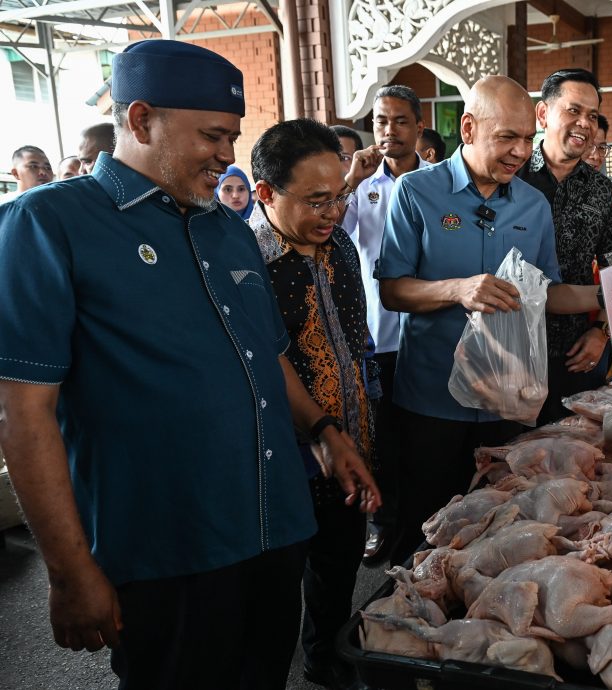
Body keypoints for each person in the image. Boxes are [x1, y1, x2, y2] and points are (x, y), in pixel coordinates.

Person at [0, 40, 379, 690]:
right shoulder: (48, 224)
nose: (227, 155)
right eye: (211, 135)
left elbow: (269, 356)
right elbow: (23, 410)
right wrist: (67, 569)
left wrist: (322, 431)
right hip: (169, 545)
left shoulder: (225, 228)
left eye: (233, 135)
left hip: (273, 526)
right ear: (142, 120)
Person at [379, 75, 612, 563]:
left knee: (497, 531)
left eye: (527, 139)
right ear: (467, 129)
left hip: (507, 399)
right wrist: (458, 289)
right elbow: (393, 290)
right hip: (431, 398)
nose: (521, 152)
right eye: (507, 137)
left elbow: (544, 295)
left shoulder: (531, 203)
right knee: (423, 530)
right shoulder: (415, 192)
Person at [249, 118, 383, 689]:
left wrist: (368, 414)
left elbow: (357, 340)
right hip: (284, 458)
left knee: (339, 566)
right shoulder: (247, 266)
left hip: (351, 439)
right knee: (275, 588)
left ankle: (325, 660)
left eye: (339, 197)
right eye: (316, 201)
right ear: (265, 194)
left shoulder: (340, 245)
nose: (333, 213)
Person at [342, 84, 431, 564]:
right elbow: (332, 233)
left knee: (424, 435)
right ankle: (385, 525)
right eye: (380, 121)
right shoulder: (365, 186)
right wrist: (350, 181)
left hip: (430, 333)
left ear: (418, 127)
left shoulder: (437, 183)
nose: (388, 130)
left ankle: (425, 525)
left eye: (399, 120)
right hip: (378, 336)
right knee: (383, 438)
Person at [516, 68, 612, 425]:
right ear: (543, 114)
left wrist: (601, 334)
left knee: (575, 460)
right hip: (509, 350)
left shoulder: (603, 193)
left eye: (592, 115)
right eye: (573, 111)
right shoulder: (511, 178)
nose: (585, 123)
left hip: (577, 353)